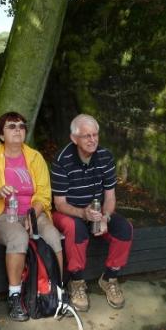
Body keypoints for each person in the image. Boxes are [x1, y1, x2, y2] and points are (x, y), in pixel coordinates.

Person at [0, 111, 62, 322]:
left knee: (52, 234)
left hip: (33, 212)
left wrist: (33, 213)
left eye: (22, 126)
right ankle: (14, 296)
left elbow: (44, 194)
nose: (18, 129)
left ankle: (58, 290)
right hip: (3, 214)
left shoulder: (35, 157)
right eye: (12, 126)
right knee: (18, 237)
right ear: (1, 135)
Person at [51, 114, 133, 312]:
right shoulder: (62, 161)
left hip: (97, 211)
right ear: (74, 139)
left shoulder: (105, 156)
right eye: (86, 136)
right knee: (75, 229)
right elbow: (59, 204)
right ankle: (77, 282)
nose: (92, 140)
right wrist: (83, 213)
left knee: (124, 229)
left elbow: (111, 196)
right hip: (70, 211)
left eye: (95, 135)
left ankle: (110, 277)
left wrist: (105, 217)